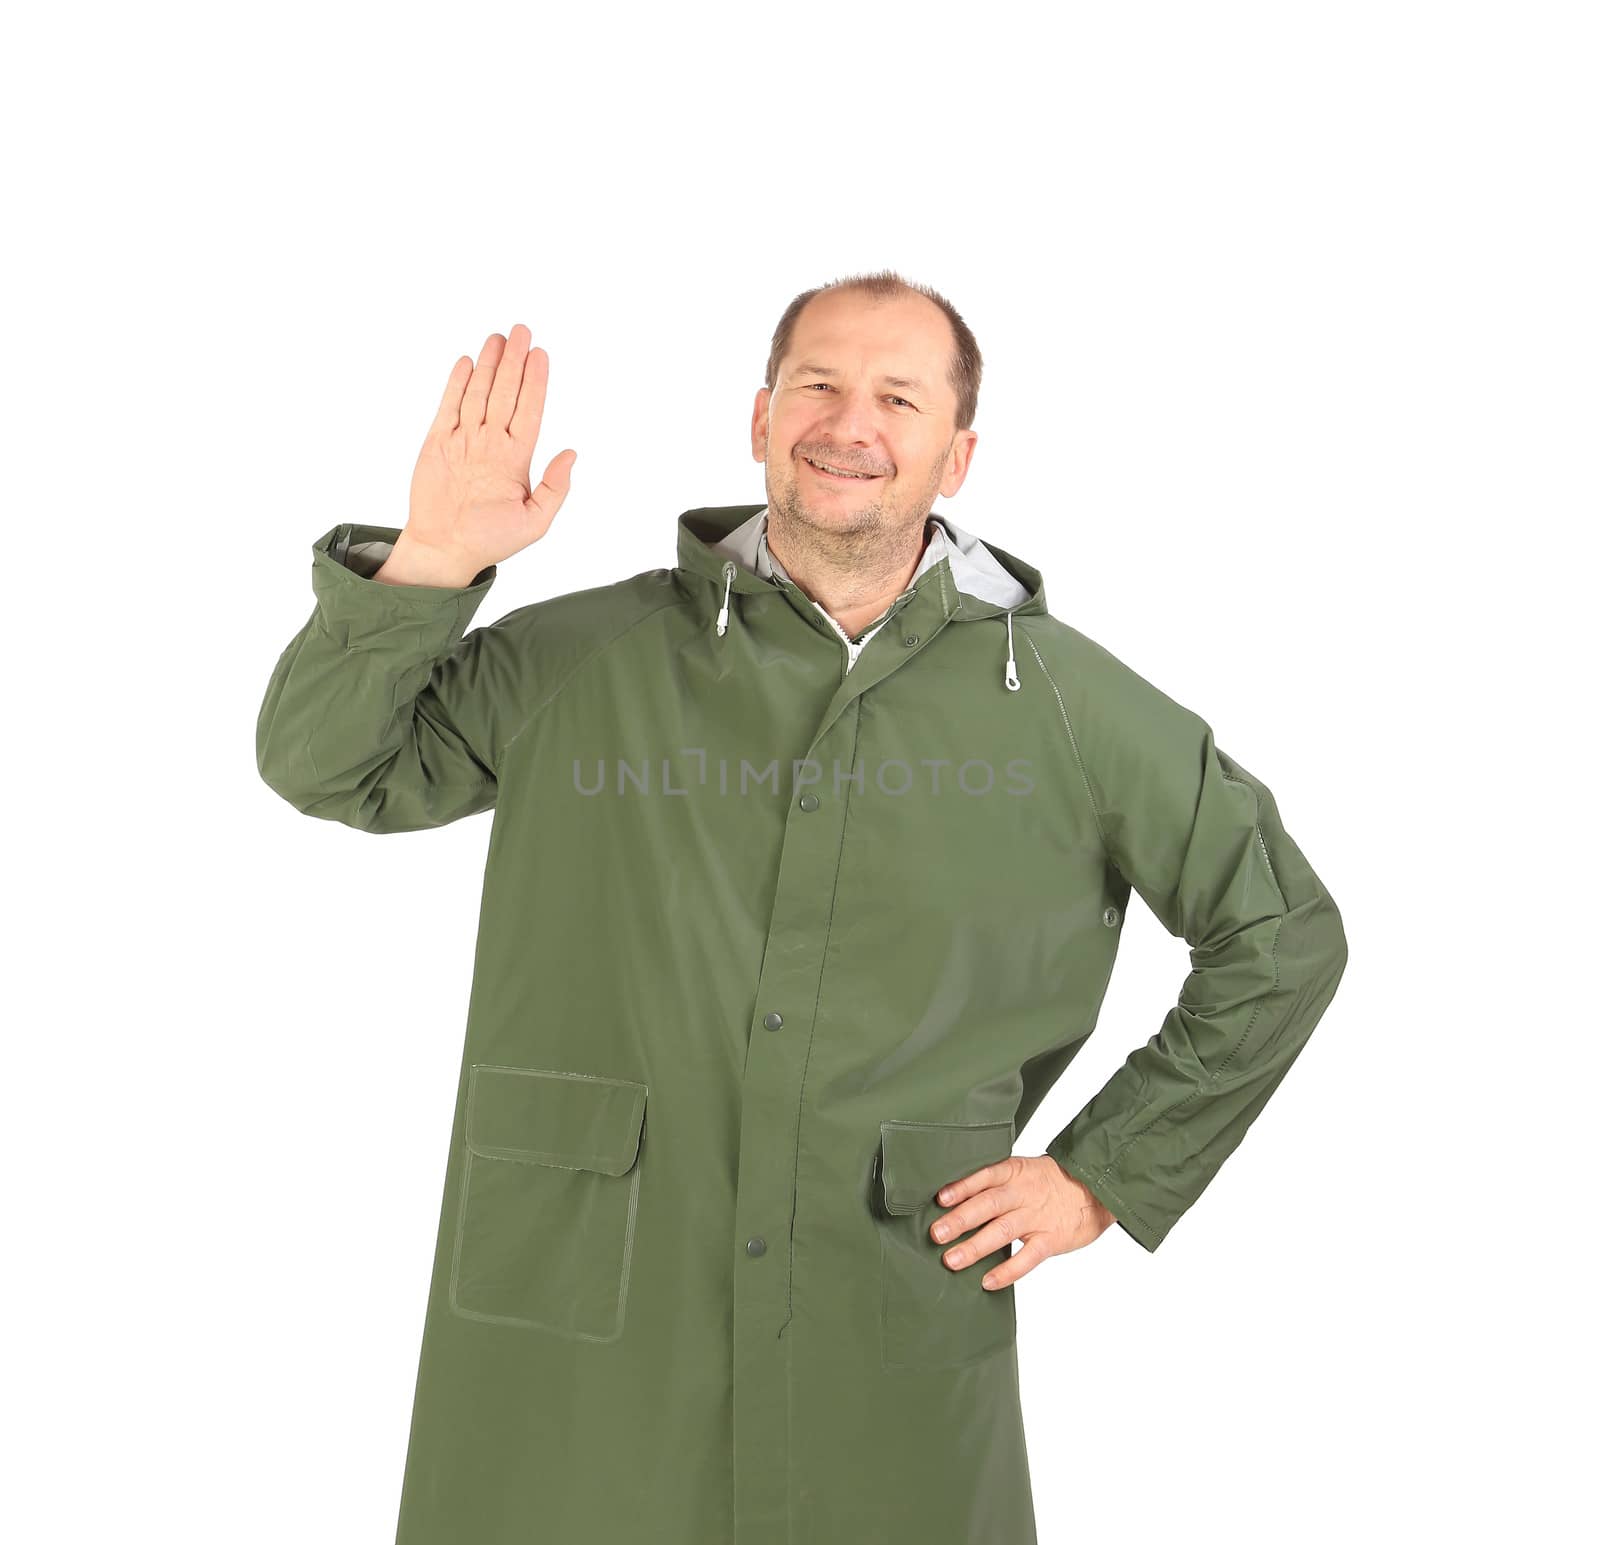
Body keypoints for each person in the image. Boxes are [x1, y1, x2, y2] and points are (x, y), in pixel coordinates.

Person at [256, 270, 1349, 1545]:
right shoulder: (589, 660)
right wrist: (435, 557)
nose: (852, 421)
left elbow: (1281, 934)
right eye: (818, 384)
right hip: (582, 1327)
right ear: (761, 418)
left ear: (958, 454)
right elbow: (330, 761)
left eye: (899, 396)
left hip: (884, 1302)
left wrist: (1101, 1175)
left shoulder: (1061, 705)